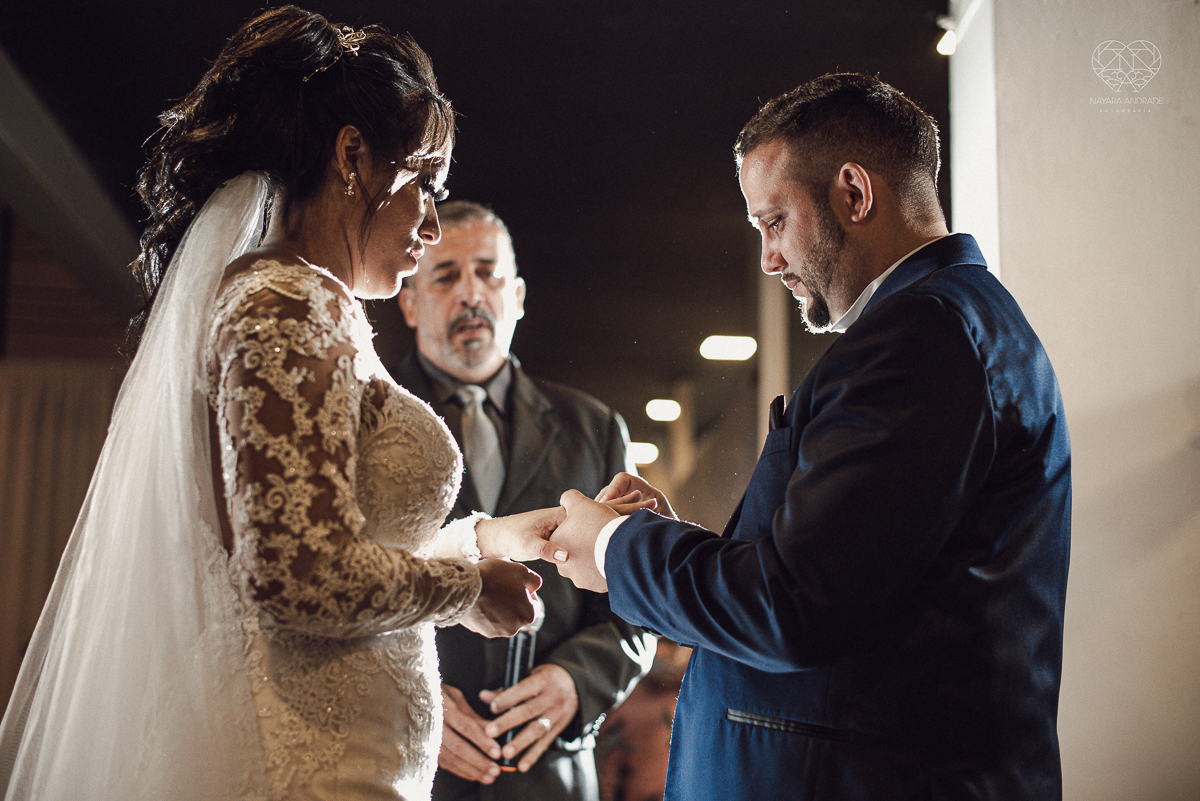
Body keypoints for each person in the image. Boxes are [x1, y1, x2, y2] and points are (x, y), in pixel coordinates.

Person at [0, 8, 641, 800]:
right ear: (350, 157)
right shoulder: (280, 307)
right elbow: (294, 574)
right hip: (307, 762)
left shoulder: (315, 306)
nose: (431, 222)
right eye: (423, 186)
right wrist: (469, 590)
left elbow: (335, 529)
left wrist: (482, 538)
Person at [548, 73, 1071, 799]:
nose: (767, 259)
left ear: (853, 194)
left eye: (773, 222)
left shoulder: (921, 340)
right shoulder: (949, 325)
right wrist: (679, 541)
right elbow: (842, 582)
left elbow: (793, 605)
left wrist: (615, 547)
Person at [390, 200, 654, 801]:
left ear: (519, 294)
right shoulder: (367, 417)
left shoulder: (594, 426)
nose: (471, 293)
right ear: (410, 301)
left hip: (552, 778)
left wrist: (576, 682)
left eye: (488, 272)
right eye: (446, 276)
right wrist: (409, 697)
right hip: (409, 772)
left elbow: (636, 602)